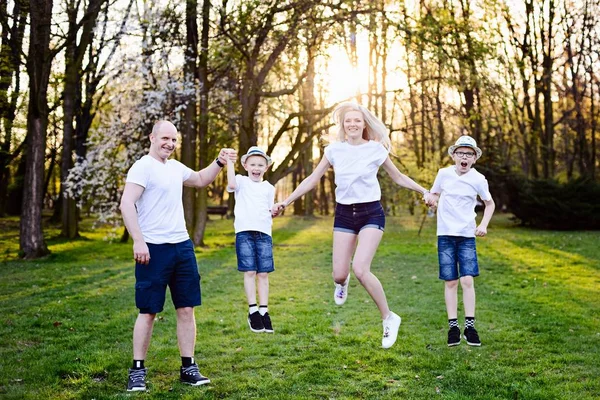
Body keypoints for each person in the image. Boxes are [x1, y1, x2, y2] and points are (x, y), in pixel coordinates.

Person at [272, 102, 435, 349]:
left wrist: (425, 190)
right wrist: (286, 201)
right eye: (348, 121)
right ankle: (342, 281)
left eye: (357, 120)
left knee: (361, 268)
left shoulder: (375, 150)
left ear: (364, 124)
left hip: (371, 213)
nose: (352, 124)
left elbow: (398, 177)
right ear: (343, 125)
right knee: (339, 274)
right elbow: (312, 180)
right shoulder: (334, 151)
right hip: (345, 214)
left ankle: (389, 318)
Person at [120, 120, 236, 391]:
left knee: (186, 308)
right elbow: (127, 203)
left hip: (182, 246)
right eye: (165, 138)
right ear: (152, 137)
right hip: (153, 248)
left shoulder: (175, 167)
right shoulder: (142, 167)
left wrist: (219, 162)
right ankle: (137, 371)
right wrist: (139, 241)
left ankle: (188, 367)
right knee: (148, 311)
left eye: (173, 140)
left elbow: (200, 180)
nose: (169, 144)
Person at [428, 135, 495, 347]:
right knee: (451, 281)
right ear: (454, 156)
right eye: (461, 153)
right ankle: (453, 328)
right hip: (445, 234)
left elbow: (489, 204)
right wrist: (431, 201)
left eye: (469, 154)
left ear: (474, 158)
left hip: (466, 235)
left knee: (467, 280)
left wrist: (483, 224)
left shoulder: (478, 179)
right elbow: (434, 195)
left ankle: (470, 326)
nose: (464, 157)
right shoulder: (443, 174)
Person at [226, 146, 277, 333]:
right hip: (244, 233)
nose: (256, 168)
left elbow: (270, 212)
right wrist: (230, 162)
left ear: (266, 167)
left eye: (261, 165)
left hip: (264, 234)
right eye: (253, 164)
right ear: (245, 165)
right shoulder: (240, 181)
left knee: (263, 273)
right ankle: (253, 310)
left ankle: (264, 311)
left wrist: (276, 211)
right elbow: (231, 185)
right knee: (250, 271)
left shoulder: (269, 188)